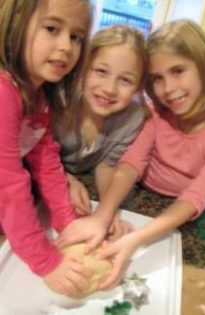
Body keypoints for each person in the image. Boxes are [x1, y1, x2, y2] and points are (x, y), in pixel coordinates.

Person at [91, 19, 205, 289]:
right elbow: (130, 165)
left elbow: (196, 195)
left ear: (204, 64)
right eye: (157, 78)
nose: (168, 89)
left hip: (184, 208)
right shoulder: (155, 111)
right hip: (141, 194)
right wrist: (104, 213)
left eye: (178, 71)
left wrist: (135, 240)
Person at [0, 0, 93, 297]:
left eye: (76, 36)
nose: (66, 46)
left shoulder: (37, 95)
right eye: (52, 28)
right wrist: (45, 261)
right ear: (15, 24)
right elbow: (8, 186)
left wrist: (67, 223)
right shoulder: (3, 93)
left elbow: (45, 158)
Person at [55, 24, 148, 249]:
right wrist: (67, 179)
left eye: (125, 80)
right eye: (101, 71)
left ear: (138, 87)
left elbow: (107, 165)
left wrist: (106, 212)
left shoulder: (132, 118)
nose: (109, 88)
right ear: (84, 68)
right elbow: (36, 154)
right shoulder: (60, 100)